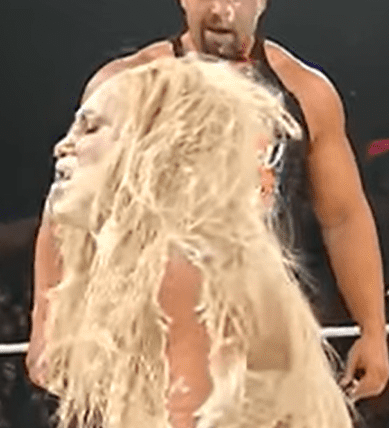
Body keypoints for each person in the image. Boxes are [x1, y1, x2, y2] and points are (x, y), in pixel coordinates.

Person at [27, 0, 389, 403]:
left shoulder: (305, 93)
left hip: (264, 338)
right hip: (153, 341)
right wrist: (47, 325)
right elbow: (65, 211)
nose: (222, 9)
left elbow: (343, 216)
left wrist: (374, 330)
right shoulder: (129, 87)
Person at [41, 54, 353, 428]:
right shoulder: (185, 255)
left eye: (90, 129)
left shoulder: (184, 269)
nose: (64, 145)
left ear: (152, 144)